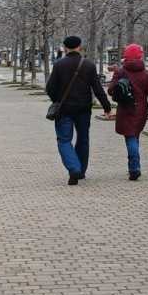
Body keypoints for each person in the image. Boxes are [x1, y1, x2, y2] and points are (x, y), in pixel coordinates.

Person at [46, 36, 112, 185]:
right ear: (80, 47)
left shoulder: (59, 65)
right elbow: (97, 88)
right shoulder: (88, 65)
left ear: (65, 47)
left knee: (64, 140)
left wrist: (57, 100)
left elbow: (49, 88)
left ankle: (73, 168)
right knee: (83, 139)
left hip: (64, 110)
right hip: (83, 109)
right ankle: (81, 170)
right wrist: (107, 107)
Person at [108, 44, 148, 181]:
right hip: (140, 110)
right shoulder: (145, 74)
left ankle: (134, 168)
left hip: (125, 109)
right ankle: (133, 166)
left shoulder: (120, 72)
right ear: (140, 56)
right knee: (134, 136)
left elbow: (110, 90)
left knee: (130, 138)